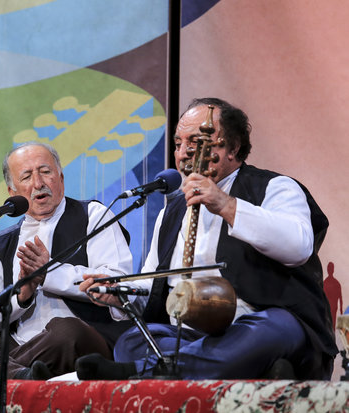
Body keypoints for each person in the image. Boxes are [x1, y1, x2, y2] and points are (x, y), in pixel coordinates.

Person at [76, 97, 337, 380]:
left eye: (197, 141)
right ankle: (247, 367)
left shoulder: (275, 187)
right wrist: (118, 293)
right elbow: (152, 287)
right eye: (178, 144)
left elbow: (298, 247)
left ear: (233, 148)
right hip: (190, 335)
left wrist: (226, 204)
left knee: (270, 330)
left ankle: (144, 372)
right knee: (131, 342)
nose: (185, 152)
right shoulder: (172, 211)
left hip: (258, 321)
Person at [0, 141, 134, 379]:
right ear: (12, 193)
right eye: (26, 177)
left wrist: (49, 273)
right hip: (20, 346)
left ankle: (5, 372)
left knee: (65, 328)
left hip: (80, 339)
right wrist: (21, 295)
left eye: (45, 172)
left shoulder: (93, 215)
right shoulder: (2, 242)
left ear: (61, 178)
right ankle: (25, 376)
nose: (38, 183)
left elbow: (117, 283)